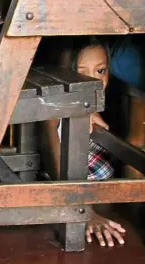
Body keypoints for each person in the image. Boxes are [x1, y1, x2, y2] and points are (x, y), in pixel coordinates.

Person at [38, 37, 127, 248]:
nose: (93, 80)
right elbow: (54, 160)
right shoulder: (53, 112)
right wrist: (84, 211)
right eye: (80, 71)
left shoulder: (91, 106)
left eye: (100, 71)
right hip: (76, 196)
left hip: (100, 196)